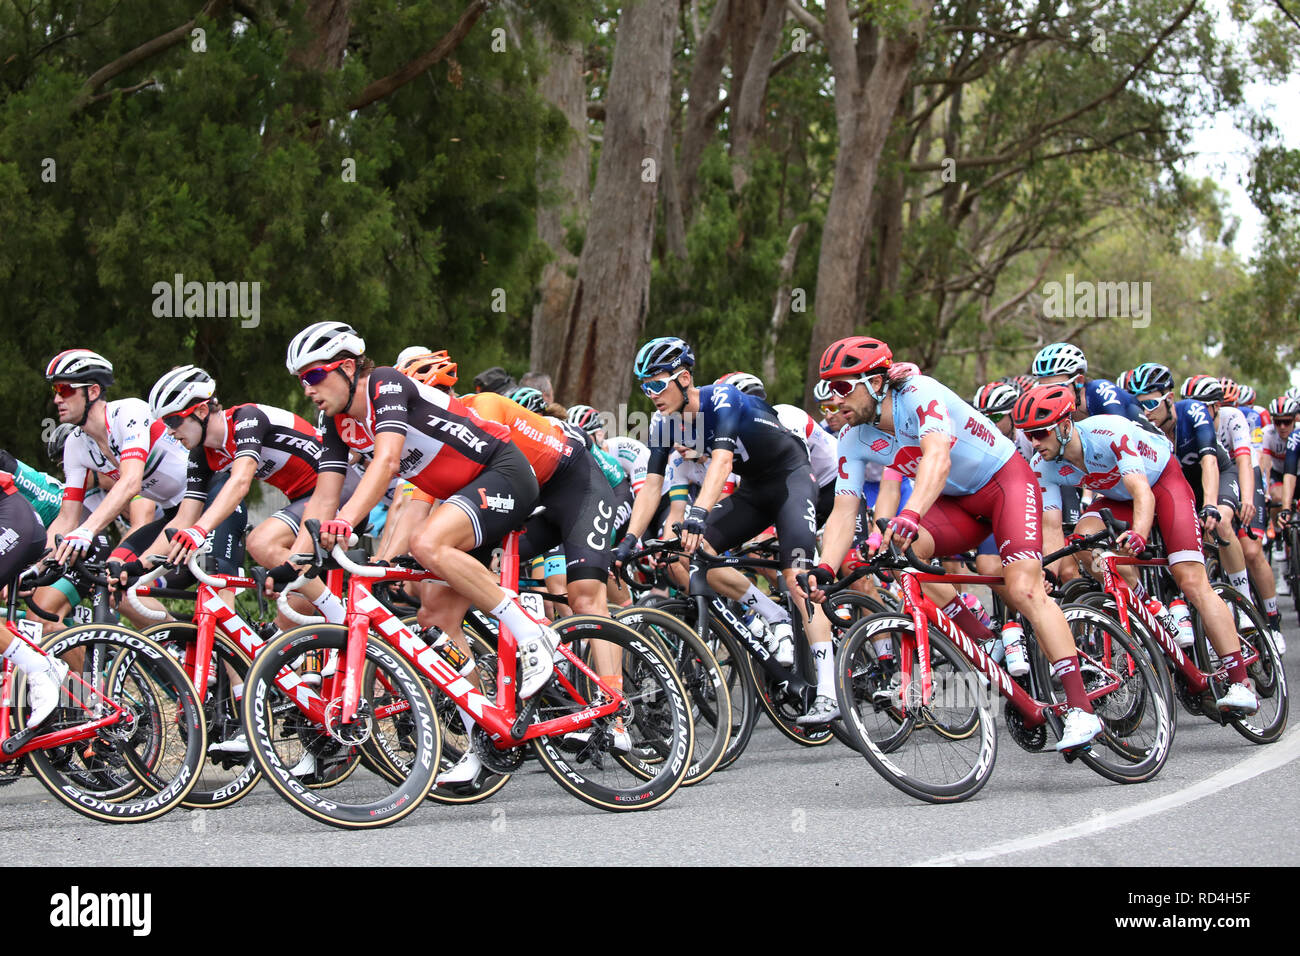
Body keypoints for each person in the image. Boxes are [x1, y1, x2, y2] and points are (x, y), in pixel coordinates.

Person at [812, 337, 1104, 750]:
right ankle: (983, 638)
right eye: (828, 389)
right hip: (958, 503)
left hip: (1005, 482)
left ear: (875, 381)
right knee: (899, 554)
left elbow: (937, 458)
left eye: (843, 387)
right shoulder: (852, 439)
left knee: (1023, 589)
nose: (833, 399)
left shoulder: (920, 394)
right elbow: (844, 510)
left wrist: (911, 514)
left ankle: (1081, 710)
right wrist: (824, 569)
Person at [1014, 384, 1259, 713]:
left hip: (1161, 482)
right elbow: (1052, 527)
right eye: (1028, 435)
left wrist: (1140, 535)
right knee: (1084, 542)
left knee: (1189, 579)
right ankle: (1147, 604)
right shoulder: (1044, 467)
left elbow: (1143, 492)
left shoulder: (1108, 431)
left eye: (1040, 433)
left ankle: (1240, 680)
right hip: (1117, 497)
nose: (1034, 443)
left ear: (1064, 425)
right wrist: (1047, 571)